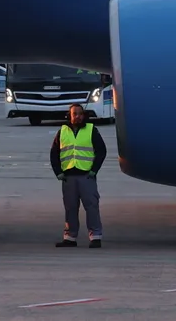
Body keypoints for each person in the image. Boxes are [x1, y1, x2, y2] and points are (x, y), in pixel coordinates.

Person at [50, 104, 106, 247]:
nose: (78, 116)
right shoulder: (62, 131)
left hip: (86, 176)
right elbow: (54, 153)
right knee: (70, 207)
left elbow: (101, 151)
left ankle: (95, 236)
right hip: (68, 177)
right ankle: (70, 237)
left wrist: (94, 170)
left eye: (80, 114)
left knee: (91, 206)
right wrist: (58, 172)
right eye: (75, 114)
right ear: (69, 115)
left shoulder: (91, 130)